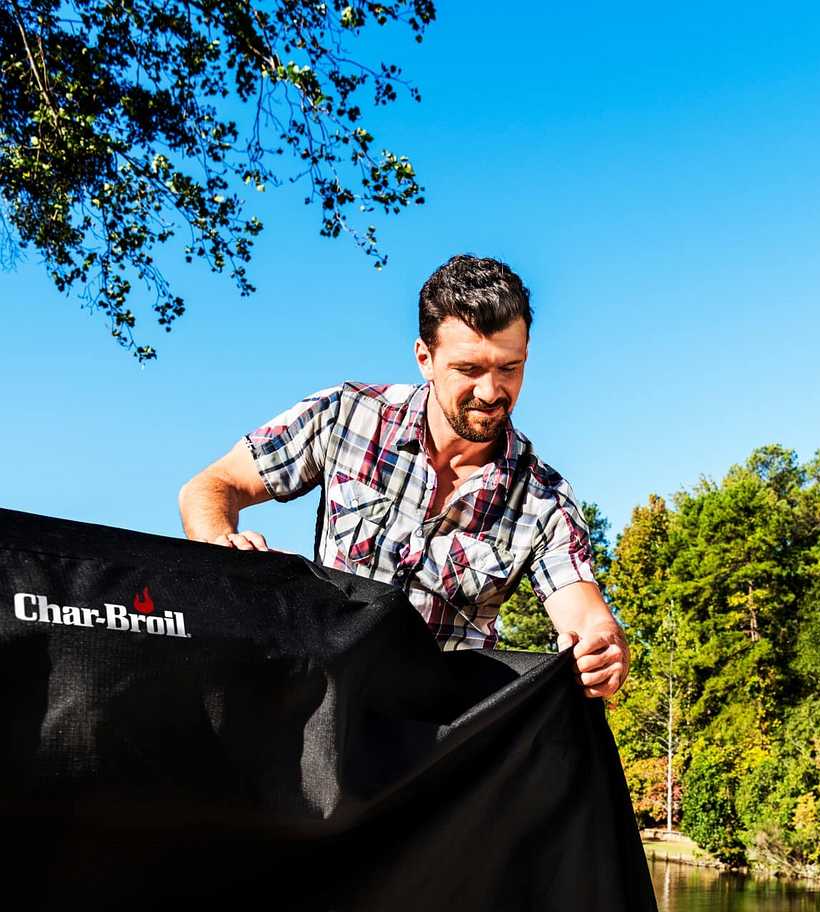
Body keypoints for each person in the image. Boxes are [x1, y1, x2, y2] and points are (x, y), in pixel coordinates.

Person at [178, 255, 628, 699]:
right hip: (325, 705)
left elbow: (586, 616)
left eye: (509, 368)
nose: (491, 392)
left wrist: (602, 648)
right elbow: (211, 486)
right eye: (469, 370)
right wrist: (220, 544)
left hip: (442, 733)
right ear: (424, 358)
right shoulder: (345, 416)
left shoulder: (543, 499)